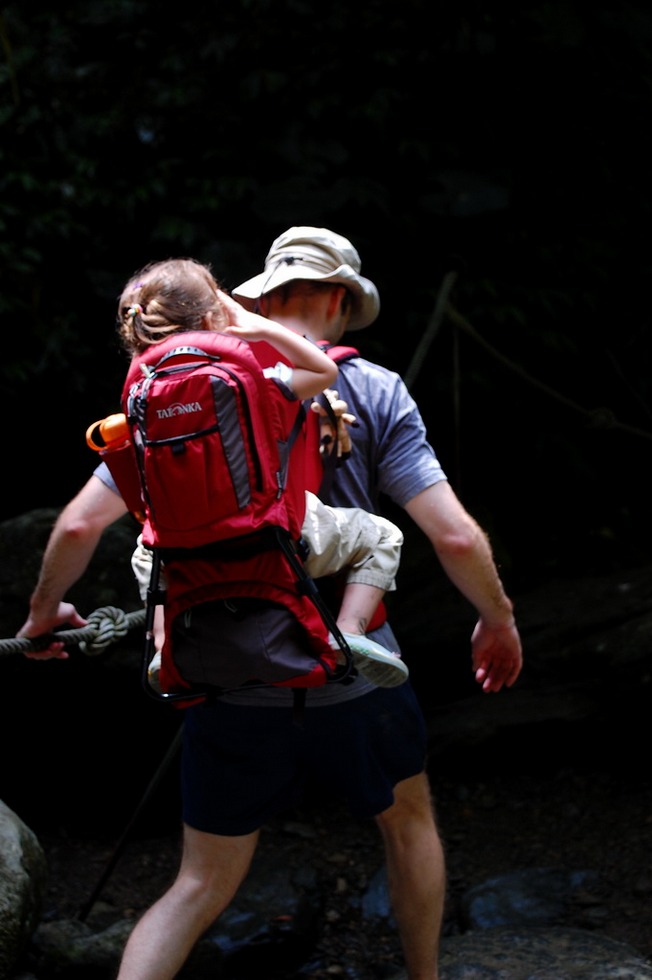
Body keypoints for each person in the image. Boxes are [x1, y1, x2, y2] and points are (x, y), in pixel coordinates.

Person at [18, 235, 522, 980]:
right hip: (352, 673)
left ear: (255, 297)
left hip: (224, 668)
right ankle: (424, 977)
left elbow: (78, 526)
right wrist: (499, 617)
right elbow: (449, 534)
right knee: (408, 825)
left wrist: (41, 616)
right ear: (342, 302)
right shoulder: (369, 389)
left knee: (196, 884)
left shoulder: (171, 393)